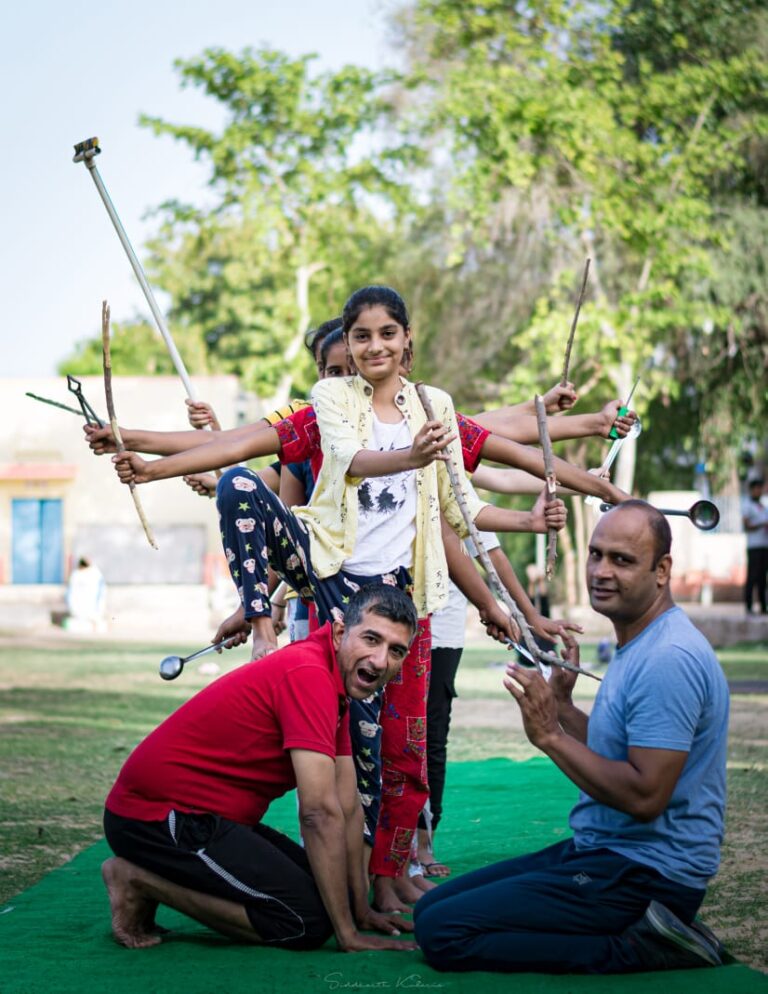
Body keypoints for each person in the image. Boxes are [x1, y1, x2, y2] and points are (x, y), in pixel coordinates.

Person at [414, 500, 729, 974]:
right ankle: (636, 931)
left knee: (444, 933)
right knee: (428, 911)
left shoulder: (668, 658)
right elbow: (622, 750)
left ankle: (644, 946)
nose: (601, 571)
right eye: (596, 554)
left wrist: (549, 737)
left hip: (646, 874)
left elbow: (645, 796)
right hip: (604, 852)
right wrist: (563, 711)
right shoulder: (640, 639)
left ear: (661, 570)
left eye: (622, 560)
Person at [101, 584, 417, 953]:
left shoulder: (335, 681)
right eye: (371, 639)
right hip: (154, 817)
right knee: (306, 923)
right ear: (340, 630)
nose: (380, 661)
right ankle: (135, 879)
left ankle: (149, 877)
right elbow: (318, 813)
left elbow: (347, 806)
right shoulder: (309, 673)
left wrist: (359, 911)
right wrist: (348, 937)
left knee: (335, 894)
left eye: (396, 651)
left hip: (209, 817)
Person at [742, 476, 768, 615]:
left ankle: (763, 606)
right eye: (757, 488)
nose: (759, 491)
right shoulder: (747, 505)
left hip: (764, 545)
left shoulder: (763, 506)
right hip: (754, 546)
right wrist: (761, 525)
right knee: (752, 576)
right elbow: (746, 525)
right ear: (752, 490)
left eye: (760, 488)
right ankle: (749, 606)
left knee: (763, 577)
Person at [64, 557, 106, 632]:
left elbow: (101, 594)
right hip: (80, 612)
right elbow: (70, 595)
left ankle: (92, 625)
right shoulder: (76, 575)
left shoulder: (94, 574)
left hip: (90, 612)